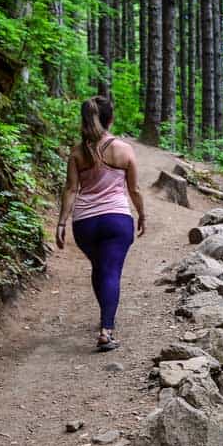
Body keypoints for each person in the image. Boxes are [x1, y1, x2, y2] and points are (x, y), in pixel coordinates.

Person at [56, 96, 146, 352]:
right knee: (111, 271)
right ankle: (106, 330)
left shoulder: (77, 152)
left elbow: (71, 189)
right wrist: (142, 215)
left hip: (84, 223)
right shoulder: (124, 149)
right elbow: (135, 189)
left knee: (100, 266)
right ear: (110, 120)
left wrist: (62, 223)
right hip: (116, 220)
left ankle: (105, 315)